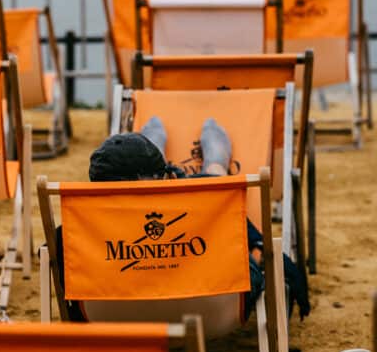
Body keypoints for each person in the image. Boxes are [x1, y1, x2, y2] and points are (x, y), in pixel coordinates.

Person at [54, 117, 310, 321]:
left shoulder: (80, 229)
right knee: (210, 196)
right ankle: (213, 166)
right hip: (214, 312)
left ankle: (151, 155)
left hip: (111, 315)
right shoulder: (205, 212)